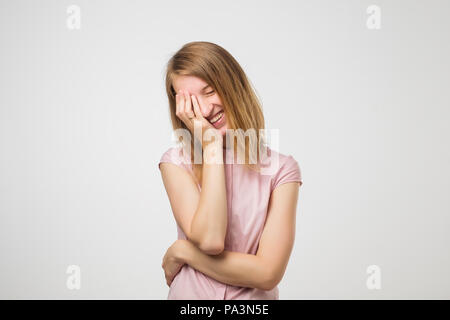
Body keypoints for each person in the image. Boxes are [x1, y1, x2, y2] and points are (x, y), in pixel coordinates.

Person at [158, 41, 303, 299]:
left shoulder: (282, 170)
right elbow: (211, 239)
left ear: (232, 84)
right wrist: (212, 148)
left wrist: (183, 251)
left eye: (210, 91)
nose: (203, 110)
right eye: (190, 102)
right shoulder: (175, 163)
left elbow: (268, 273)